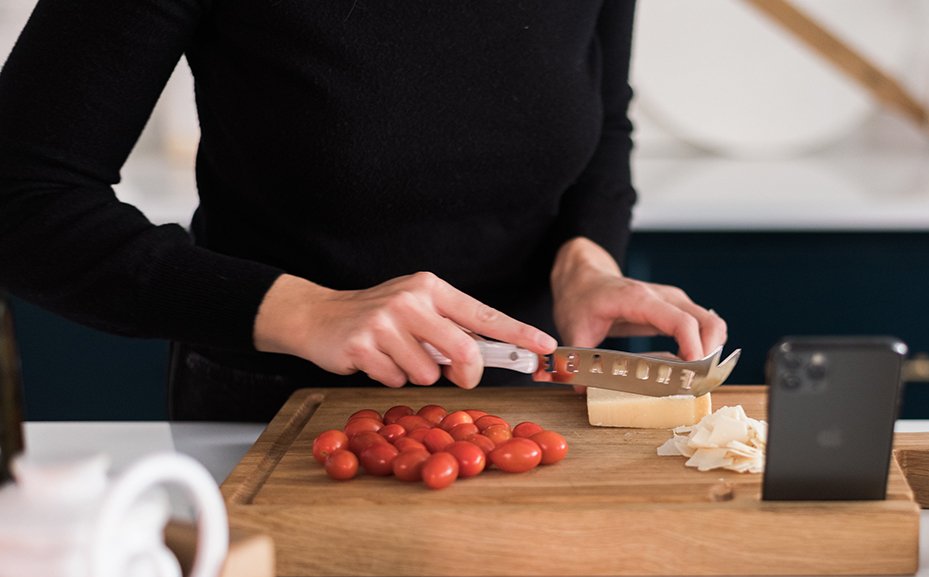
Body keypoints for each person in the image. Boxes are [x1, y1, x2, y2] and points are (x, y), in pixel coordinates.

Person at [0, 0, 726, 421]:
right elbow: (22, 196)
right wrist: (306, 312)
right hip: (274, 420)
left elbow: (603, 118)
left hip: (532, 403)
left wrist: (586, 262)